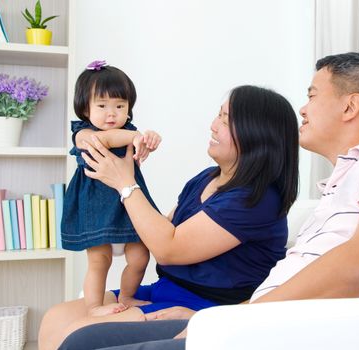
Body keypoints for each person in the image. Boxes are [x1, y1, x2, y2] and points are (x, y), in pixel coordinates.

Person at [57, 52, 359, 350]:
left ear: (350, 105)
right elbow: (293, 281)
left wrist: (230, 320)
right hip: (262, 322)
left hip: (298, 331)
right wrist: (213, 319)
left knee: (81, 344)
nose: (302, 108)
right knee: (85, 337)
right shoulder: (337, 190)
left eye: (313, 95)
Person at [39, 85, 300, 350]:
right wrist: (117, 190)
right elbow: (164, 227)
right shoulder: (206, 178)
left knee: (76, 333)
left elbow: (167, 250)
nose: (212, 125)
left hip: (202, 304)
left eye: (225, 119)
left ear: (257, 134)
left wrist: (125, 183)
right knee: (56, 318)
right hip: (165, 288)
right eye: (217, 115)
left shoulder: (255, 200)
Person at [61, 60, 162, 318]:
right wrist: (134, 137)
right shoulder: (82, 133)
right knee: (99, 261)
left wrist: (148, 140)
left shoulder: (129, 132)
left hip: (127, 205)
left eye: (120, 106)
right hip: (94, 205)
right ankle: (93, 306)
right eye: (102, 106)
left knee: (140, 257)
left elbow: (133, 141)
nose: (111, 114)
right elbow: (103, 140)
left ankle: (127, 295)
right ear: (85, 108)